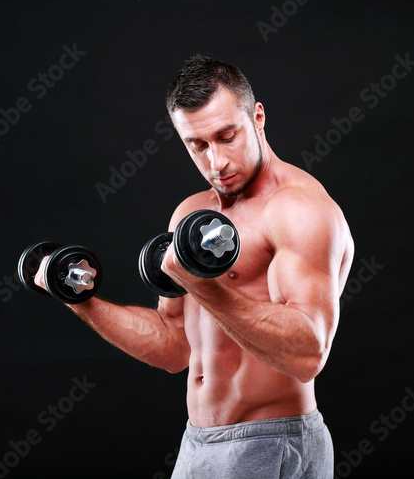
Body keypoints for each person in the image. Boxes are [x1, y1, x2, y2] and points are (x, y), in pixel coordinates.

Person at [34, 55, 354, 478]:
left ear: (257, 117)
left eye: (227, 136)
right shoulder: (191, 213)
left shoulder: (298, 210)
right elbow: (173, 347)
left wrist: (203, 286)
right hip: (199, 443)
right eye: (198, 145)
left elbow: (308, 353)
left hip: (270, 442)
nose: (216, 162)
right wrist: (79, 299)